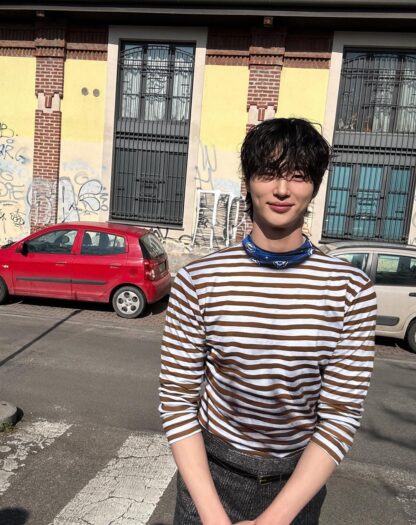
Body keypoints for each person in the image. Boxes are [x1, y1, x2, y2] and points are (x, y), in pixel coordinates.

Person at [159, 118, 377, 525]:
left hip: (296, 487)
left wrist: (273, 520)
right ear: (248, 182)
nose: (281, 189)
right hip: (210, 480)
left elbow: (340, 415)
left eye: (298, 175)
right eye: (268, 173)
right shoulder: (199, 279)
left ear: (315, 186)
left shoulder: (350, 289)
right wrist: (213, 518)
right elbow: (177, 401)